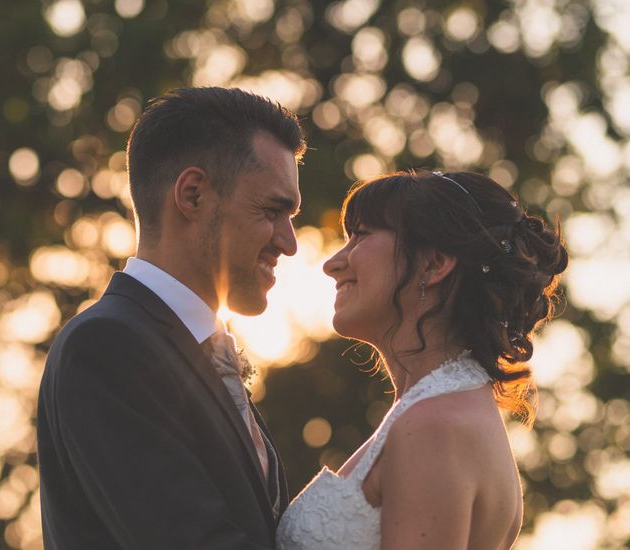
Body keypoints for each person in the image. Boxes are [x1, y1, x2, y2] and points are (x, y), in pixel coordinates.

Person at [37, 87, 306, 549]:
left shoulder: (193, 347)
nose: (289, 242)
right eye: (272, 211)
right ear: (193, 194)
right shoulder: (107, 347)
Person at [276, 170, 568, 550]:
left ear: (434, 262)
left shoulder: (433, 427)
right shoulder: (443, 411)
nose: (332, 263)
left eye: (361, 235)